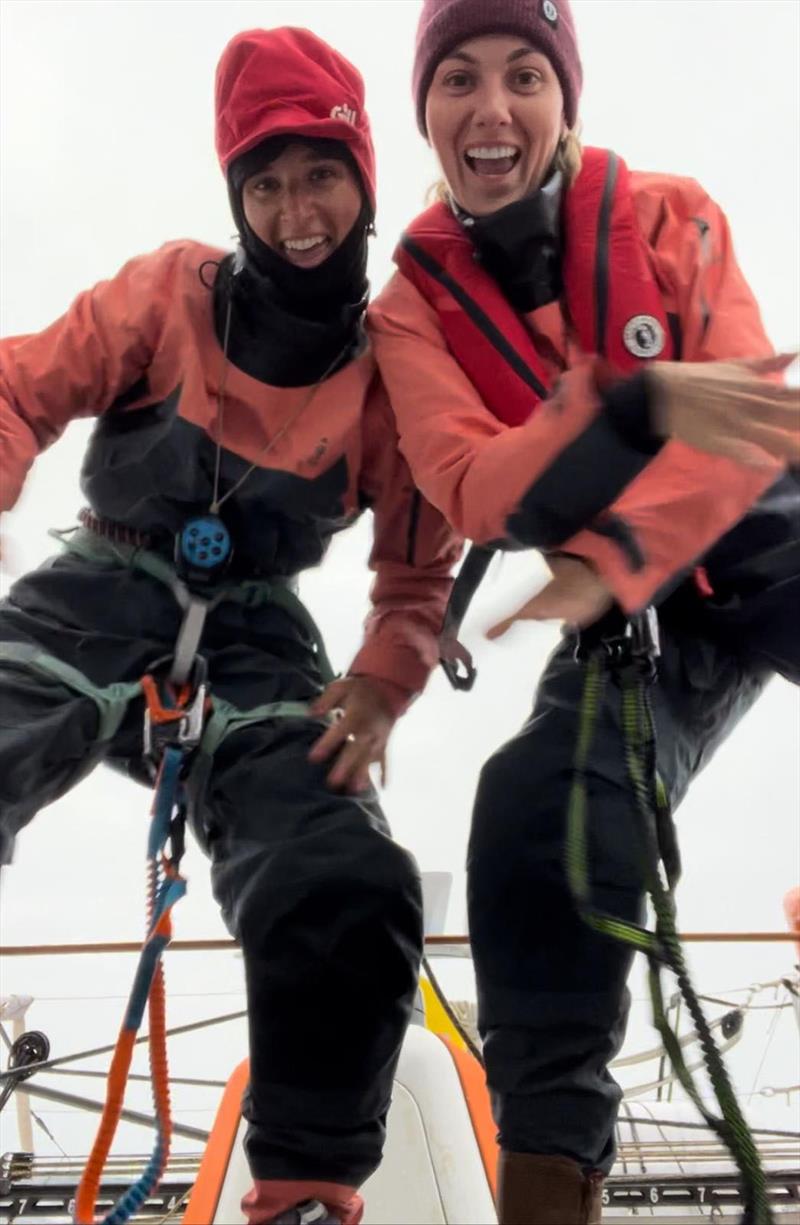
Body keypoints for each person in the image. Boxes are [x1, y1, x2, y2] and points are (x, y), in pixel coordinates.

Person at [0, 26, 460, 1225]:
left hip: (260, 635)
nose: (294, 209)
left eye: (318, 174)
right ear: (234, 198)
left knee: (345, 873)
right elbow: (18, 387)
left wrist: (379, 684)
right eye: (263, 181)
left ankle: (306, 1185)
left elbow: (414, 585)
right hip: (102, 586)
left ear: (363, 177)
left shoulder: (393, 371)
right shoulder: (169, 291)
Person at [368, 1, 800, 1221]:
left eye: (522, 74)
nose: (490, 108)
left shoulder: (672, 213)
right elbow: (465, 481)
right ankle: (552, 1177)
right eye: (456, 80)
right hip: (629, 621)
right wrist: (630, 405)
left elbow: (745, 422)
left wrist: (617, 540)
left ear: (565, 98)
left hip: (763, 530)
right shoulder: (410, 312)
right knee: (528, 817)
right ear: (425, 111)